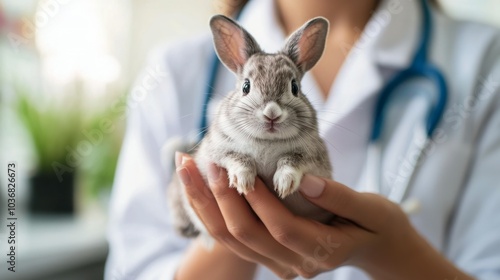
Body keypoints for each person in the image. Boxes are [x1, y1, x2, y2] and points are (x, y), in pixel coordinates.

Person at [105, 0, 500, 279]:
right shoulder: (173, 70)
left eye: (290, 90)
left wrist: (392, 254)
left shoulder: (485, 59)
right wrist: (234, 236)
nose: (272, 111)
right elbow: (133, 267)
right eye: (248, 89)